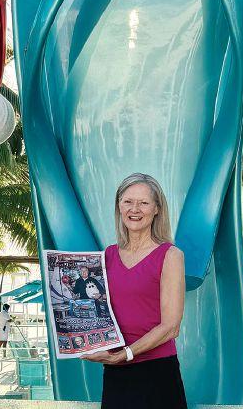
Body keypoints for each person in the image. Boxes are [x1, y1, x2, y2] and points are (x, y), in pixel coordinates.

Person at [82, 173, 186, 409]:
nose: (134, 209)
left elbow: (171, 327)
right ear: (119, 206)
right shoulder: (106, 255)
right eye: (128, 201)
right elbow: (96, 309)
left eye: (144, 202)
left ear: (157, 209)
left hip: (157, 372)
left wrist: (126, 354)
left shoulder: (170, 256)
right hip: (116, 372)